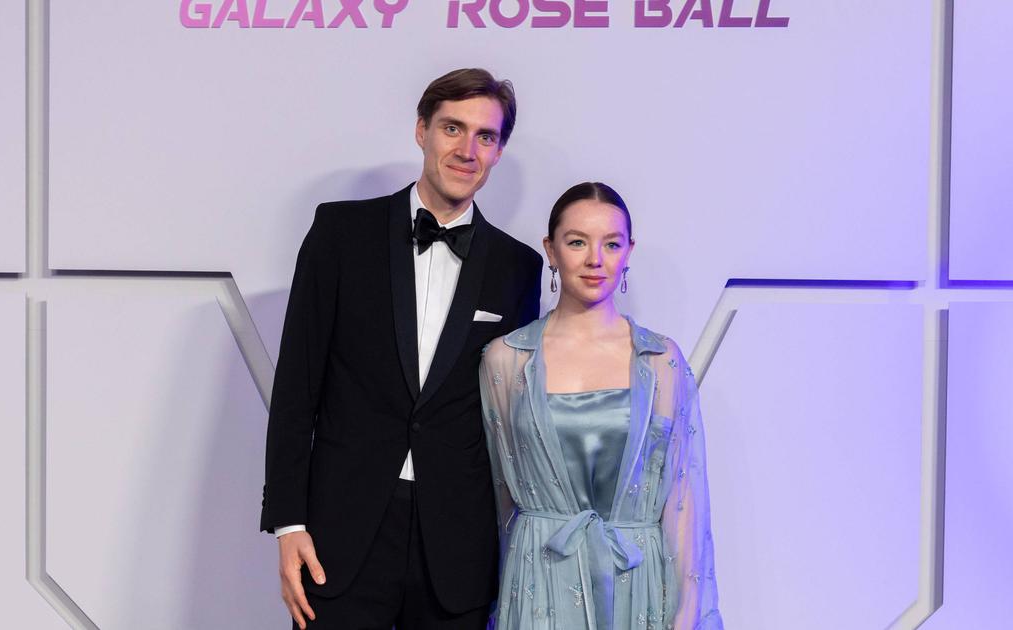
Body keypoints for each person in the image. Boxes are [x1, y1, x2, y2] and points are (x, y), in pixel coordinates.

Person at [260, 68, 543, 629]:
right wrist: (289, 523)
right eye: (452, 128)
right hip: (340, 535)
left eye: (485, 136)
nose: (467, 150)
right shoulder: (341, 232)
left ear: (498, 151)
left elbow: (510, 415)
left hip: (458, 546)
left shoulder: (518, 267)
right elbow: (296, 385)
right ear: (421, 131)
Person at [478, 182, 724, 629]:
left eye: (611, 244)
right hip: (538, 582)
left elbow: (683, 496)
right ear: (551, 250)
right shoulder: (506, 359)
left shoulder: (661, 360)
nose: (595, 259)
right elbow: (499, 499)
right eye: (577, 242)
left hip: (637, 583)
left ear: (629, 252)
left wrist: (688, 609)